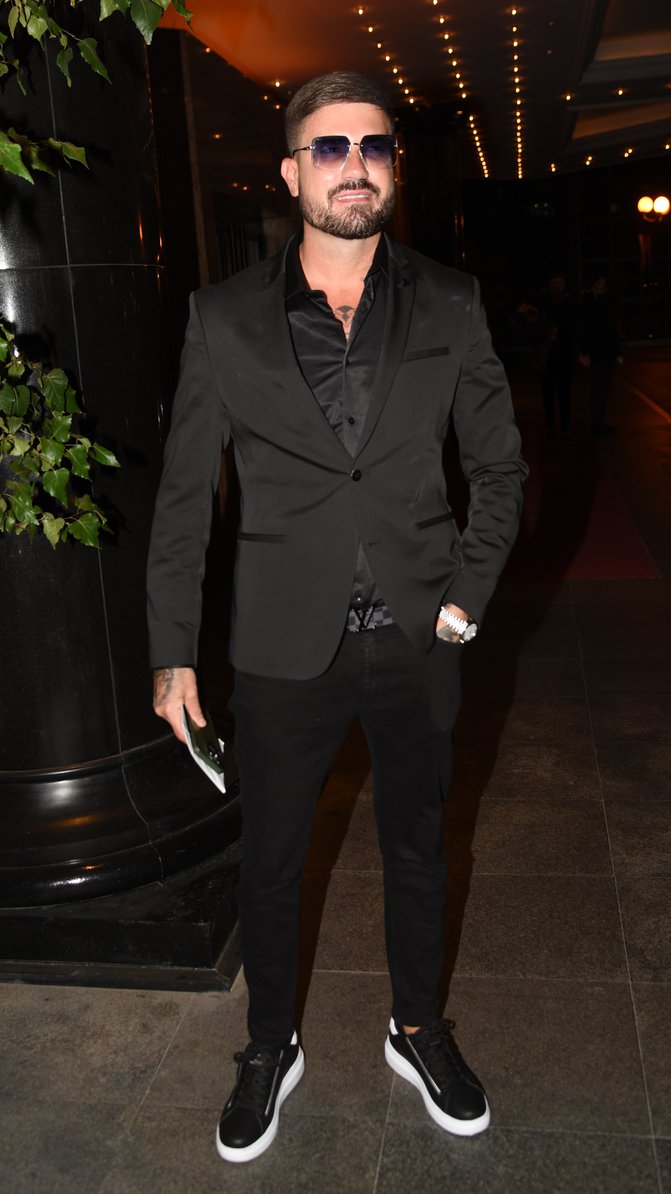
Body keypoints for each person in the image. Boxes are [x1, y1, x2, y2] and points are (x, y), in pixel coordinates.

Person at [146, 71, 527, 1165]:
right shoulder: (222, 318)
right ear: (290, 172)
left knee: (417, 845)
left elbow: (498, 470)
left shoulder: (449, 300)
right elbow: (183, 497)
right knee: (269, 859)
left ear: (391, 167)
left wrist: (462, 600)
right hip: (281, 646)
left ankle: (416, 1029)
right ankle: (269, 1044)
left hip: (417, 636)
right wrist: (173, 653)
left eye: (373, 145)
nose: (354, 165)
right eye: (329, 147)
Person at [578, 274, 620, 437]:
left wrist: (617, 351)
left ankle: (599, 422)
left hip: (606, 351)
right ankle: (596, 424)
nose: (601, 283)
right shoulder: (587, 301)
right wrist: (584, 351)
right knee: (597, 389)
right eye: (598, 280)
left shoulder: (608, 300)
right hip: (595, 351)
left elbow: (612, 327)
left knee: (603, 389)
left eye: (603, 281)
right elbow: (583, 328)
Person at [538, 272, 576, 442]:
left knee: (564, 393)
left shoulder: (571, 304)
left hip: (565, 354)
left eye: (560, 282)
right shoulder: (543, 304)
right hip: (547, 355)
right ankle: (551, 426)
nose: (557, 286)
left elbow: (575, 328)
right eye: (554, 282)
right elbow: (537, 327)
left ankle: (565, 428)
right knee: (547, 393)